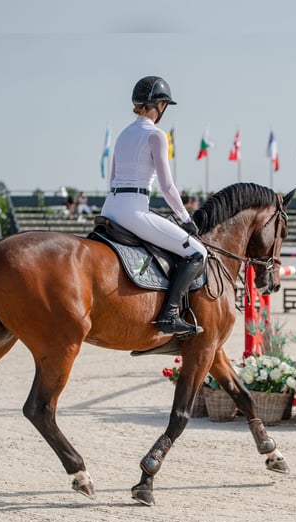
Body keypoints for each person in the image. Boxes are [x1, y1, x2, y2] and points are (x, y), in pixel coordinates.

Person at [101, 76, 206, 338]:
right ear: (159, 104)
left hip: (110, 207)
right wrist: (185, 219)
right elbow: (167, 186)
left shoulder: (124, 134)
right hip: (134, 210)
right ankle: (169, 315)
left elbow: (112, 178)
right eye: (164, 105)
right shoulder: (157, 135)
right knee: (197, 253)